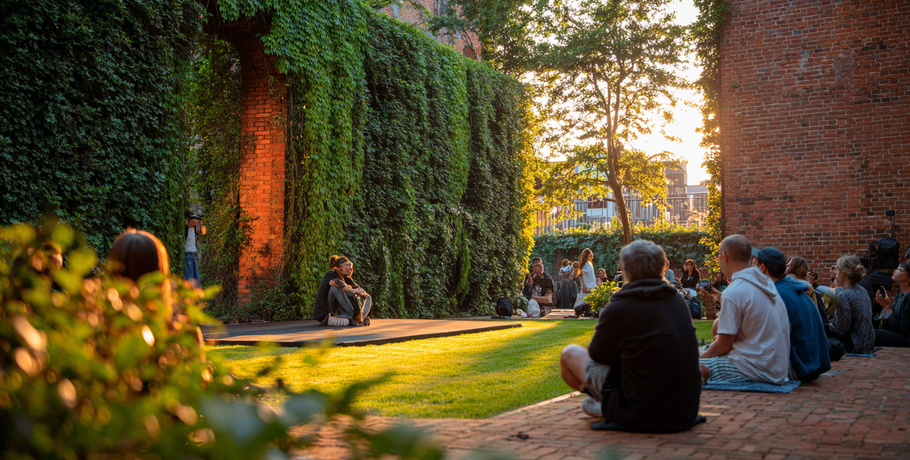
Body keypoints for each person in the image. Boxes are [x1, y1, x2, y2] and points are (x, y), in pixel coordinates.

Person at [558, 240, 702, 432]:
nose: (619, 267)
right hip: (682, 409)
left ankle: (607, 403)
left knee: (570, 354)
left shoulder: (619, 306)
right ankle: (606, 402)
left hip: (639, 403)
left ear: (626, 270)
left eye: (621, 264)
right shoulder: (676, 301)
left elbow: (597, 355)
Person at [698, 235, 791, 385]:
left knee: (681, 364)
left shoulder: (735, 290)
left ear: (724, 256)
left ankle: (701, 372)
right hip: (776, 366)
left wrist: (700, 358)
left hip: (753, 368)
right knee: (691, 353)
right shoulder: (766, 284)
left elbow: (723, 345)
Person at [754, 248, 831, 382]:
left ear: (763, 268)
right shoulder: (792, 289)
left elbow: (764, 339)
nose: (751, 270)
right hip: (812, 365)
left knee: (718, 365)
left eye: (754, 265)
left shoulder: (777, 295)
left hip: (797, 367)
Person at [826, 255, 875, 354]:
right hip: (868, 344)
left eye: (837, 270)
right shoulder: (862, 290)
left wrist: (828, 323)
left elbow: (841, 329)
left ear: (843, 273)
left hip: (854, 346)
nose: (836, 274)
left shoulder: (844, 295)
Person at [313, 255, 372, 327]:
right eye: (347, 266)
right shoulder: (330, 274)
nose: (350, 268)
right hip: (327, 313)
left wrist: (362, 294)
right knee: (334, 288)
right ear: (340, 269)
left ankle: (358, 318)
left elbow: (359, 289)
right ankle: (351, 318)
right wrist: (354, 291)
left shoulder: (346, 278)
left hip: (342, 312)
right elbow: (338, 283)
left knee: (368, 297)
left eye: (350, 265)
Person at [874, 261, 910, 347]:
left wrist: (888, 309)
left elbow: (903, 328)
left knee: (870, 333)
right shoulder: (899, 295)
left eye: (900, 270)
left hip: (906, 338)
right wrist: (886, 306)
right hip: (897, 333)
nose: (895, 271)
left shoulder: (908, 297)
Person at [786, 256, 826, 321]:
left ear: (793, 268)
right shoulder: (809, 287)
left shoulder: (784, 284)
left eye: (788, 266)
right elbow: (816, 313)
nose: (786, 268)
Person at [183, 214, 206, 287]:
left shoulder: (194, 229)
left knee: (195, 278)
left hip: (194, 254)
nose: (195, 221)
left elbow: (203, 232)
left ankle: (195, 295)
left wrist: (201, 223)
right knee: (189, 278)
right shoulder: (185, 230)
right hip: (187, 255)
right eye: (193, 219)